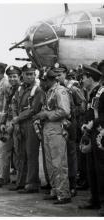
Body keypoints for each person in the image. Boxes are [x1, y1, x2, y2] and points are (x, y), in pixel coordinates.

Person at [34, 69, 71, 204]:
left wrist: (47, 115)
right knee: (50, 163)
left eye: (43, 80)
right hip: (48, 128)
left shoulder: (60, 91)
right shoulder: (49, 91)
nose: (41, 83)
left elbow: (65, 111)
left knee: (59, 163)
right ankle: (55, 190)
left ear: (49, 80)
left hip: (56, 128)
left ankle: (64, 193)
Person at [9, 63, 45, 193]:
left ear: (35, 75)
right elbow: (13, 103)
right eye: (27, 74)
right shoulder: (20, 88)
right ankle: (21, 182)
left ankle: (32, 184)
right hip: (20, 123)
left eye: (32, 74)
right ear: (22, 75)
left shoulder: (38, 90)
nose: (30, 77)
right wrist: (16, 120)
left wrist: (17, 118)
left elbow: (33, 109)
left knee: (31, 154)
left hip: (31, 123)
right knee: (20, 153)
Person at [55, 64, 85, 197]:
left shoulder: (72, 89)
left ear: (65, 74)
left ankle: (72, 184)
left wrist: (71, 114)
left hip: (71, 124)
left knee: (71, 154)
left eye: (60, 74)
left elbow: (83, 106)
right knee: (61, 155)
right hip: (60, 123)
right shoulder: (55, 89)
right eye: (55, 74)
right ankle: (62, 184)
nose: (57, 76)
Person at [78, 65, 104, 216]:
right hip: (91, 134)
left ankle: (101, 201)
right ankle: (95, 199)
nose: (81, 80)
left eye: (83, 77)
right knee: (92, 168)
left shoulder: (102, 93)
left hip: (101, 135)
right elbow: (90, 112)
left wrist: (93, 123)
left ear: (90, 77)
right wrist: (85, 124)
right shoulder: (92, 93)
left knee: (101, 169)